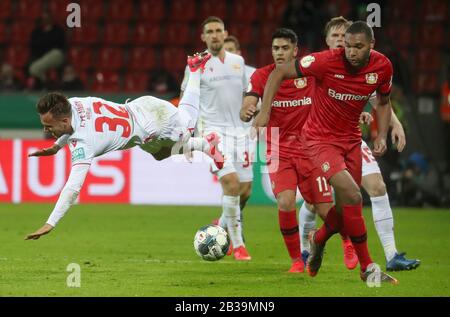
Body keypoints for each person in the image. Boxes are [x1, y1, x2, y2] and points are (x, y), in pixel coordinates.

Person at [254, 21, 398, 284]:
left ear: (371, 46)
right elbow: (279, 73)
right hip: (319, 141)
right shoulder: (325, 61)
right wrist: (264, 112)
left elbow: (384, 101)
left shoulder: (383, 67)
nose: (351, 52)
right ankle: (367, 267)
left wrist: (382, 134)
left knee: (343, 211)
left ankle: (318, 239)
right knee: (354, 195)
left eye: (358, 47)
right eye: (347, 46)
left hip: (351, 141)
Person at [25, 53, 224, 240]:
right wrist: (57, 146)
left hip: (156, 122)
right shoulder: (72, 103)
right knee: (161, 154)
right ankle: (205, 144)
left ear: (65, 120)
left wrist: (50, 222)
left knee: (188, 123)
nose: (46, 129)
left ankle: (195, 71)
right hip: (140, 111)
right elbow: (69, 129)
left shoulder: (84, 144)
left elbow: (72, 188)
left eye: (48, 126)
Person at [299, 16, 420, 272]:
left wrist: (392, 125)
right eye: (339, 39)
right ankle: (323, 242)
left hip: (350, 138)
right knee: (318, 204)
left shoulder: (366, 67)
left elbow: (378, 98)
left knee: (375, 187)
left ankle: (390, 254)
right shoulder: (319, 65)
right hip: (317, 139)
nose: (346, 46)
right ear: (328, 41)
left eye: (352, 41)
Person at [241, 28, 315, 273]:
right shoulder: (263, 76)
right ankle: (296, 260)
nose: (279, 53)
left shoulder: (311, 73)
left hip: (309, 146)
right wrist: (247, 110)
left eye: (285, 48)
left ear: (295, 50)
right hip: (276, 146)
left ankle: (339, 243)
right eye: (276, 48)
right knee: (285, 202)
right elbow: (250, 100)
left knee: (319, 205)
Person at [180, 17, 252, 261]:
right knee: (231, 184)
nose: (214, 35)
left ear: (225, 33)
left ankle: (221, 225)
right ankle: (238, 244)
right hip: (213, 133)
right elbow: (186, 96)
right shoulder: (196, 65)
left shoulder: (238, 62)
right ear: (203, 37)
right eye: (209, 31)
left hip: (240, 132)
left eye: (218, 30)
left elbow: (247, 94)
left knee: (245, 192)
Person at [28, 11, 66, 89]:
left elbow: (60, 45)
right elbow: (34, 46)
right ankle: (48, 83)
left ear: (51, 19)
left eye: (47, 18)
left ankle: (47, 83)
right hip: (41, 57)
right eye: (44, 19)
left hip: (56, 55)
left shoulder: (58, 30)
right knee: (33, 69)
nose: (46, 20)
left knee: (56, 53)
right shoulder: (37, 31)